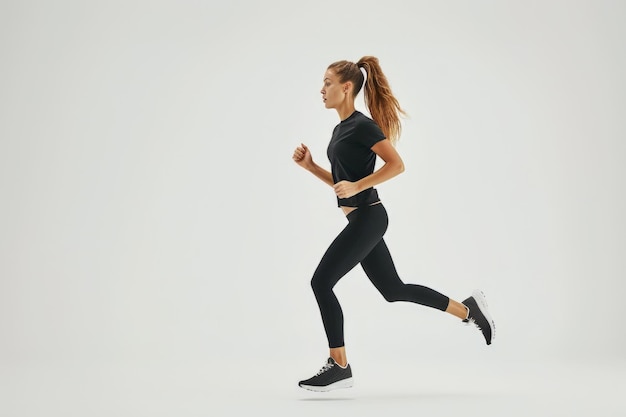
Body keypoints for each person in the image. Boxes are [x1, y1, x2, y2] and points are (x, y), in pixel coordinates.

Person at [292, 56, 495, 392]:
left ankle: (340, 365)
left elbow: (397, 165)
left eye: (327, 82)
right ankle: (468, 310)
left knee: (321, 282)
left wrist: (358, 186)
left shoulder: (362, 125)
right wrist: (312, 167)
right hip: (361, 218)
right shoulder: (340, 129)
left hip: (369, 218)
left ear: (347, 87)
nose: (322, 89)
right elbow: (344, 183)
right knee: (393, 290)